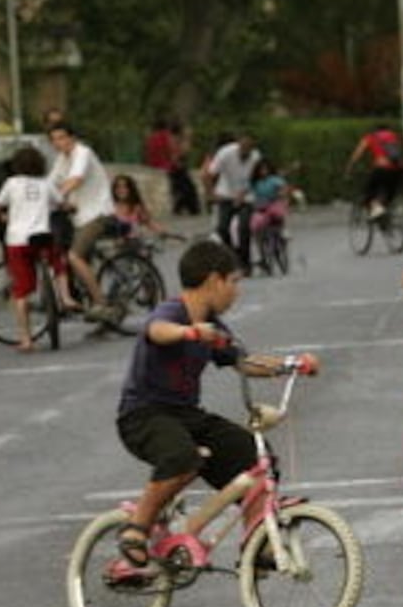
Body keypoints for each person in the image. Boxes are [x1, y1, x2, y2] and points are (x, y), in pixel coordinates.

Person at [106, 240, 318, 584]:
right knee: (181, 456)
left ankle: (258, 543)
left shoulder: (214, 325)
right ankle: (137, 528)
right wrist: (189, 332)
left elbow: (243, 361)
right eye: (233, 282)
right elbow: (155, 331)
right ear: (213, 280)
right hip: (143, 415)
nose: (236, 291)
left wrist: (291, 364)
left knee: (252, 454)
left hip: (186, 415)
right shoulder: (174, 312)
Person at [0, 147, 79, 351]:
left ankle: (26, 339)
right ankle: (65, 297)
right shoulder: (46, 183)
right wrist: (71, 208)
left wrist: (3, 217)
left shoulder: (11, 183)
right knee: (59, 261)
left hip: (17, 241)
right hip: (41, 237)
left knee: (21, 292)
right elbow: (61, 204)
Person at [48, 122, 122, 323]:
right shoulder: (61, 160)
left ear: (72, 138)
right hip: (79, 217)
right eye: (54, 139)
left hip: (97, 213)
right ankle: (83, 296)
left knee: (74, 256)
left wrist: (56, 196)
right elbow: (50, 183)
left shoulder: (83, 153)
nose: (58, 143)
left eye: (62, 138)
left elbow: (76, 179)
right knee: (65, 253)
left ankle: (101, 303)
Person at [205, 132, 260, 272]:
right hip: (226, 193)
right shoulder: (225, 153)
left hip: (246, 196)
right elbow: (209, 174)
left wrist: (243, 194)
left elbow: (256, 180)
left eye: (248, 150)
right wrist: (211, 194)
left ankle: (245, 261)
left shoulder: (256, 158)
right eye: (242, 148)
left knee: (244, 227)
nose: (245, 153)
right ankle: (233, 256)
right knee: (222, 227)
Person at [344, 123, 403, 220]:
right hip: (398, 169)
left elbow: (357, 154)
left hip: (381, 168)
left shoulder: (371, 137)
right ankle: (384, 214)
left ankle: (377, 210)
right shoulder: (393, 136)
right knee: (390, 192)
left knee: (368, 192)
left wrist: (350, 167)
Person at [248, 159, 291, 247]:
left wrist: (281, 193)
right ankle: (260, 243)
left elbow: (283, 187)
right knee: (255, 222)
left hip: (273, 203)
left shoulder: (274, 180)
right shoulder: (255, 183)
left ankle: (283, 231)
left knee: (278, 213)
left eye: (265, 169)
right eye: (261, 170)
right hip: (260, 206)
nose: (263, 172)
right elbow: (248, 192)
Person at [111, 174, 167, 239]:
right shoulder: (109, 206)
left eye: (125, 187)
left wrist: (163, 232)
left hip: (132, 244)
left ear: (130, 189)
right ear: (114, 189)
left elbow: (149, 222)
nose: (121, 190)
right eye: (117, 187)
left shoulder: (136, 207)